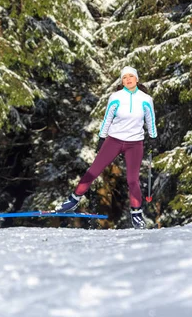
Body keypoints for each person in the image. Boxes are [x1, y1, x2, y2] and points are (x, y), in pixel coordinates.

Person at [56, 66, 158, 229]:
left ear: (137, 79)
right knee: (94, 171)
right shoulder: (115, 97)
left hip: (135, 143)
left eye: (131, 76)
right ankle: (74, 199)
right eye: (125, 77)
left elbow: (150, 120)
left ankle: (137, 214)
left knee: (133, 180)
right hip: (114, 140)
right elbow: (107, 119)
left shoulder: (146, 99)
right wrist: (102, 138)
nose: (128, 79)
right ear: (122, 81)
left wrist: (153, 137)